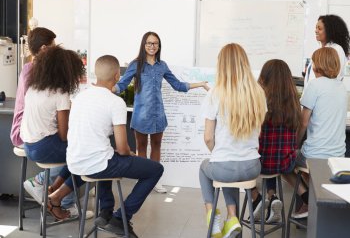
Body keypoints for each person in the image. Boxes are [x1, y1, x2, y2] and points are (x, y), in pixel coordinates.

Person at [67, 55, 164, 238]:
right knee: (155, 169)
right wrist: (131, 154)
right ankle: (121, 218)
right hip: (96, 165)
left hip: (74, 162)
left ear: (96, 73)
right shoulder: (115, 102)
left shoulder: (79, 97)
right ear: (118, 75)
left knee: (108, 154)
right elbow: (122, 147)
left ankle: (105, 212)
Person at [114, 31, 209, 193]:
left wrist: (199, 84)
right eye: (149, 43)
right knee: (141, 147)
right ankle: (143, 180)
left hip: (158, 115)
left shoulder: (162, 66)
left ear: (159, 46)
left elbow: (177, 85)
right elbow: (122, 85)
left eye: (155, 43)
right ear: (144, 45)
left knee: (157, 146)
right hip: (141, 116)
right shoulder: (135, 64)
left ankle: (155, 180)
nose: (152, 46)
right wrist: (106, 89)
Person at [9, 27, 88, 218]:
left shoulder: (35, 86)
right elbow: (63, 134)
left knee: (78, 153)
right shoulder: (59, 91)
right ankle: (55, 194)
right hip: (35, 141)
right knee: (86, 156)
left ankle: (53, 190)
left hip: (30, 139)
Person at [199, 43, 267, 238]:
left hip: (225, 167)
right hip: (252, 166)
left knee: (208, 167)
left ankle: (212, 217)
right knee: (229, 169)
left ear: (222, 65)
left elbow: (208, 137)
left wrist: (218, 153)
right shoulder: (258, 93)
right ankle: (232, 218)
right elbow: (259, 132)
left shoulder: (215, 93)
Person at [286, 47, 348, 219]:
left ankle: (307, 199)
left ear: (317, 65)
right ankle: (314, 199)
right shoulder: (341, 88)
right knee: (304, 165)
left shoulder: (314, 85)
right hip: (338, 156)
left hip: (315, 155)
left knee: (284, 161)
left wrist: (294, 145)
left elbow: (303, 122)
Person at [249, 59, 301, 223]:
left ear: (264, 77)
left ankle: (257, 198)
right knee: (275, 156)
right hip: (285, 163)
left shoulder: (259, 102)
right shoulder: (294, 103)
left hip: (261, 164)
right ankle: (273, 197)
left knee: (250, 158)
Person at [304, 14, 350, 86]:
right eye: (316, 28)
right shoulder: (320, 50)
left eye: (319, 28)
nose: (316, 31)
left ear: (329, 31)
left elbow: (334, 77)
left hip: (322, 94)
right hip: (314, 92)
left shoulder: (336, 49)